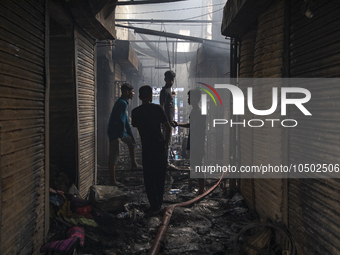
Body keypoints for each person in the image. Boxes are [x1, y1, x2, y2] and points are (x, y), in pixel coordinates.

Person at [132, 85, 171, 216]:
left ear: (139, 97)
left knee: (149, 178)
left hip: (147, 148)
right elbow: (168, 127)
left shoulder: (135, 112)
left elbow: (139, 131)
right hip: (160, 147)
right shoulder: (157, 109)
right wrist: (166, 143)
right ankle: (158, 205)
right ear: (150, 96)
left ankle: (154, 205)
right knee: (160, 177)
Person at [173, 89, 206, 195]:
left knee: (198, 165)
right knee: (195, 165)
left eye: (189, 97)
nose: (188, 99)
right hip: (193, 141)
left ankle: (202, 189)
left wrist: (201, 146)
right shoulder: (194, 111)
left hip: (197, 142)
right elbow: (191, 125)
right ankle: (201, 188)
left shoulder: (201, 112)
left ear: (196, 98)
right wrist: (178, 124)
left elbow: (202, 130)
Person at [107, 83, 138, 187]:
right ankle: (113, 181)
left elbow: (125, 121)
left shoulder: (123, 102)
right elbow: (120, 120)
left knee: (132, 141)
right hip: (115, 132)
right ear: (126, 92)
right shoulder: (122, 103)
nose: (133, 93)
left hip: (119, 131)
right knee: (114, 155)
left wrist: (130, 134)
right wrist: (121, 135)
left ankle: (134, 164)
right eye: (132, 91)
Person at [160, 70, 176, 165]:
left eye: (172, 80)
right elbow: (162, 105)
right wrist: (165, 120)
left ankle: (166, 162)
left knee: (168, 142)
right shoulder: (164, 91)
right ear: (165, 79)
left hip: (169, 121)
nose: (171, 81)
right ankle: (165, 163)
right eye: (169, 80)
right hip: (166, 122)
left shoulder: (168, 92)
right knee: (166, 142)